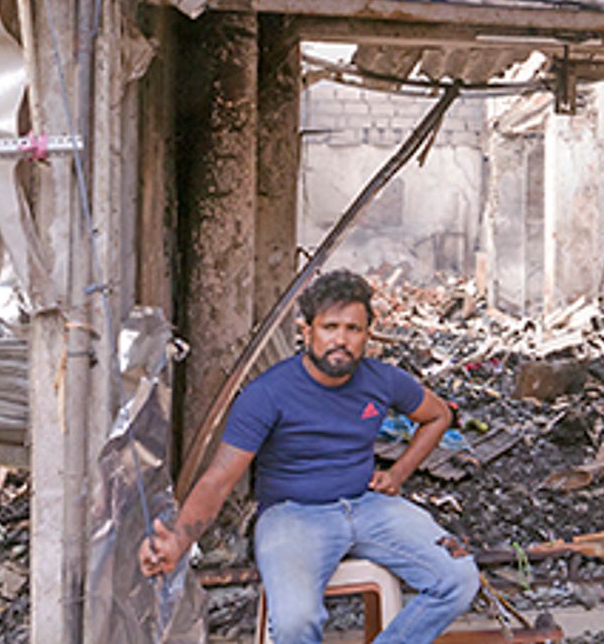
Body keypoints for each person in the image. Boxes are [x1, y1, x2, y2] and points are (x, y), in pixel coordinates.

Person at [139, 269, 480, 644]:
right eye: (330, 327)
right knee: (295, 623)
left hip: (367, 506)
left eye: (353, 329)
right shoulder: (268, 393)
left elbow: (438, 416)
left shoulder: (382, 380)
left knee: (458, 577)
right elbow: (219, 479)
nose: (341, 340)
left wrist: (398, 473)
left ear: (368, 334)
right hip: (292, 516)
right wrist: (178, 540)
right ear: (306, 331)